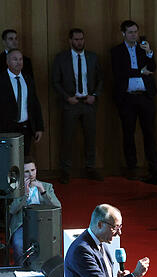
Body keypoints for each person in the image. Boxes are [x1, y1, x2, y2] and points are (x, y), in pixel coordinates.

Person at [51, 28, 103, 184]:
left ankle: (90, 168)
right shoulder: (61, 58)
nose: (79, 42)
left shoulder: (92, 57)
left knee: (90, 137)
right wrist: (67, 97)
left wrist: (95, 95)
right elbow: (55, 81)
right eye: (76, 39)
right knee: (67, 138)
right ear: (70, 40)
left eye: (81, 39)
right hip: (71, 103)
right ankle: (65, 171)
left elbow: (100, 79)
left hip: (88, 103)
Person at [110, 20, 157, 178]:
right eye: (130, 32)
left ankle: (154, 167)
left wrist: (149, 53)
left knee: (149, 133)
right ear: (123, 33)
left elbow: (152, 69)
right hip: (127, 98)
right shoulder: (116, 51)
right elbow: (120, 73)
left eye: (136, 32)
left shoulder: (143, 48)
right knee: (128, 134)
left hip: (145, 97)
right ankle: (132, 168)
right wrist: (140, 71)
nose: (134, 35)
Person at [0, 49, 44, 155]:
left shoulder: (28, 79)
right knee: (6, 158)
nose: (19, 62)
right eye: (15, 59)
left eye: (21, 59)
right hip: (5, 128)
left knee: (24, 158)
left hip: (26, 127)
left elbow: (35, 104)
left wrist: (39, 127)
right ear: (7, 62)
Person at [9, 158, 61, 264]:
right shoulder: (16, 188)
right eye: (27, 171)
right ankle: (21, 269)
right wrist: (25, 195)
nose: (31, 174)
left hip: (43, 224)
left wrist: (43, 192)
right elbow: (12, 210)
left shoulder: (46, 186)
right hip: (22, 224)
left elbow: (57, 206)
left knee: (49, 244)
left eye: (33, 170)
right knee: (19, 245)